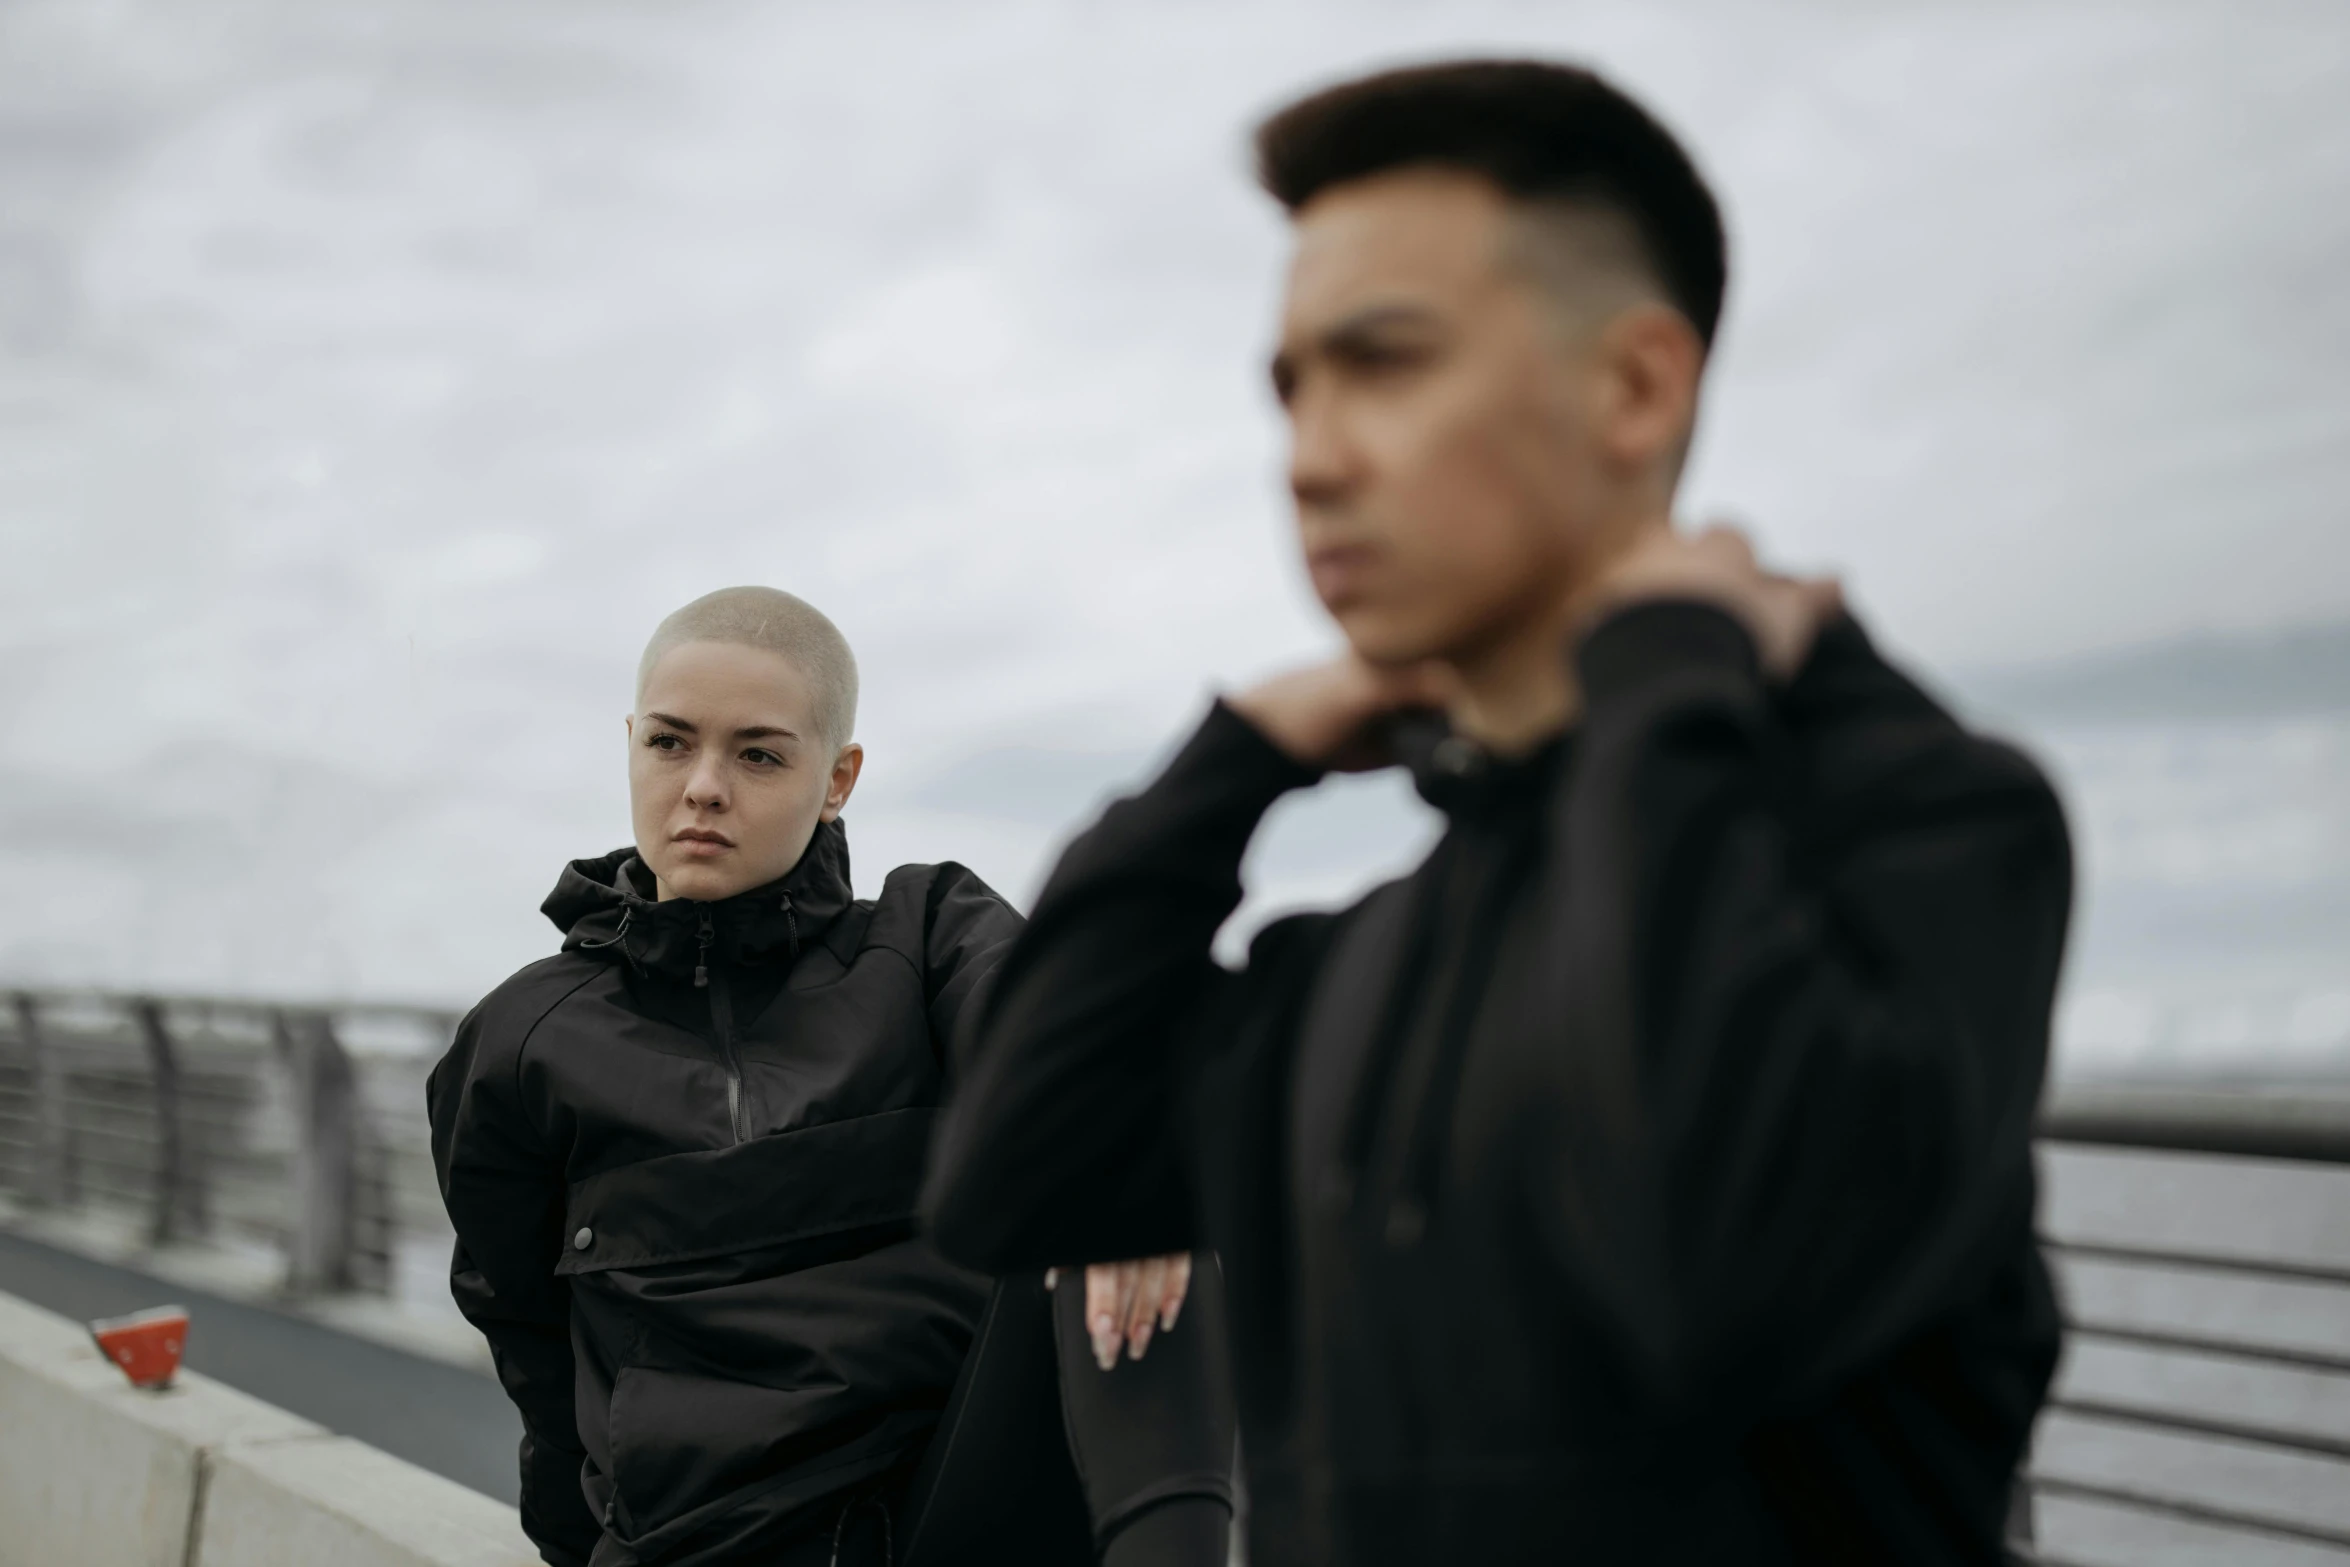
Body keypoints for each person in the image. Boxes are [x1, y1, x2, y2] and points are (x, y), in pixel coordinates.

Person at [924, 60, 2072, 1565]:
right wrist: (1231, 760)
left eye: (1382, 362)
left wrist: (1662, 668)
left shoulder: (1926, 827)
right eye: (1289, 386)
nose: (1312, 454)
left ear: (1636, 387)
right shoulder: (1382, 948)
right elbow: (1020, 1169)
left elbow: (1702, 1240)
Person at [427, 587, 1233, 1567]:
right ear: (631, 743)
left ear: (838, 776)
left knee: (1133, 1195)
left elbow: (1069, 1045)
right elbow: (532, 1346)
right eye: (670, 744)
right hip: (702, 1542)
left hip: (947, 1517)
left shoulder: (926, 933)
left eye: (758, 753)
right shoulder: (524, 1037)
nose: (704, 787)